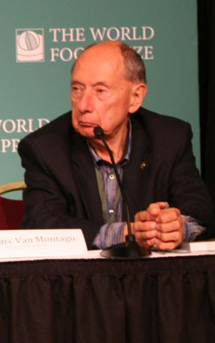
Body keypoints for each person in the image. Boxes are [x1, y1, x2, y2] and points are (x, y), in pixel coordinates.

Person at [19, 41, 215, 250]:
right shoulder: (45, 148)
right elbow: (42, 224)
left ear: (135, 97)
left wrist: (177, 227)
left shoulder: (169, 138)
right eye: (77, 89)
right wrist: (123, 233)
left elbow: (201, 210)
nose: (83, 105)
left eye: (100, 91)